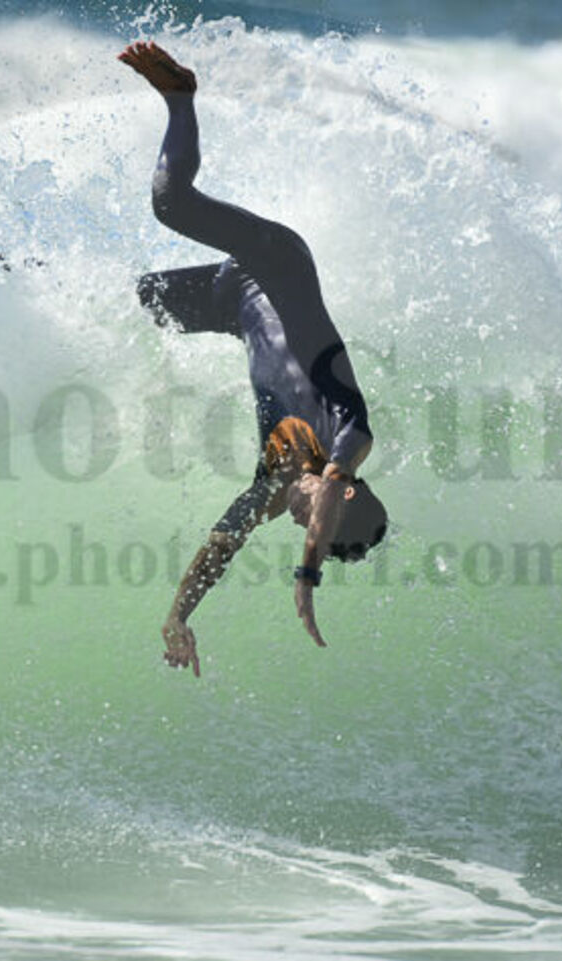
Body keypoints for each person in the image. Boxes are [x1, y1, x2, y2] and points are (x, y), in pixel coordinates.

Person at [119, 41, 388, 678]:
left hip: (232, 303)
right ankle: (180, 97)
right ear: (344, 493)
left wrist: (178, 616)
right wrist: (307, 576)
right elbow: (329, 490)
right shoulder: (349, 435)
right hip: (280, 267)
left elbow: (222, 545)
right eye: (315, 525)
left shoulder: (270, 483)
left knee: (118, 306)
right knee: (171, 203)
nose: (299, 524)